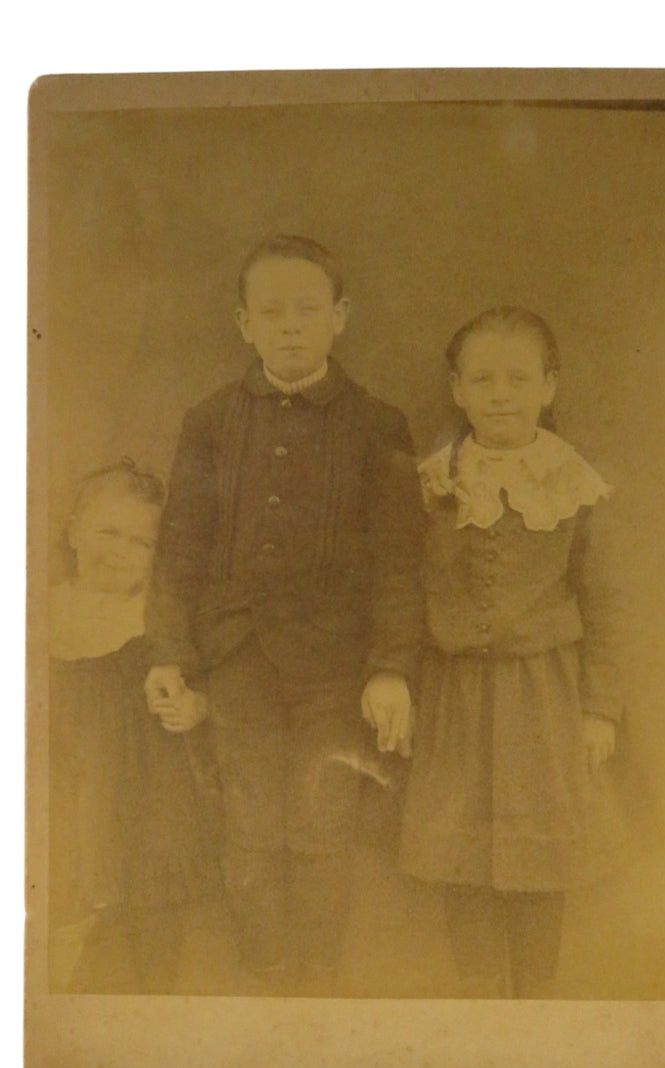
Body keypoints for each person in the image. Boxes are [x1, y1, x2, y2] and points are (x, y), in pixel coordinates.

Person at [144, 234, 424, 993]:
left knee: (322, 824)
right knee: (250, 824)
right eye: (272, 312)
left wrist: (392, 668)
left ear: (340, 317)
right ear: (244, 324)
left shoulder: (377, 425)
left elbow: (401, 563)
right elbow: (179, 549)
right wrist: (170, 652)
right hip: (237, 663)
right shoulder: (209, 421)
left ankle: (317, 988)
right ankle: (269, 981)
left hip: (337, 668)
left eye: (308, 309)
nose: (290, 325)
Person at [399, 307, 625, 998]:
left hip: (543, 697)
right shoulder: (432, 483)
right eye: (484, 378)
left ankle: (535, 1001)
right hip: (454, 694)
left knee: (541, 857)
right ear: (458, 390)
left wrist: (600, 710)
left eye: (519, 378)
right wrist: (400, 684)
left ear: (549, 387)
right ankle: (477, 1004)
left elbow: (605, 601)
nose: (501, 393)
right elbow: (403, 591)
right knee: (460, 850)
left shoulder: (572, 483)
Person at [48, 459, 216, 993]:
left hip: (149, 797)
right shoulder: (40, 615)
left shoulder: (158, 627)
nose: (120, 550)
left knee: (152, 923)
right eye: (107, 532)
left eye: (141, 543)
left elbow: (215, 687)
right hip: (71, 792)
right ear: (73, 529)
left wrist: (197, 706)